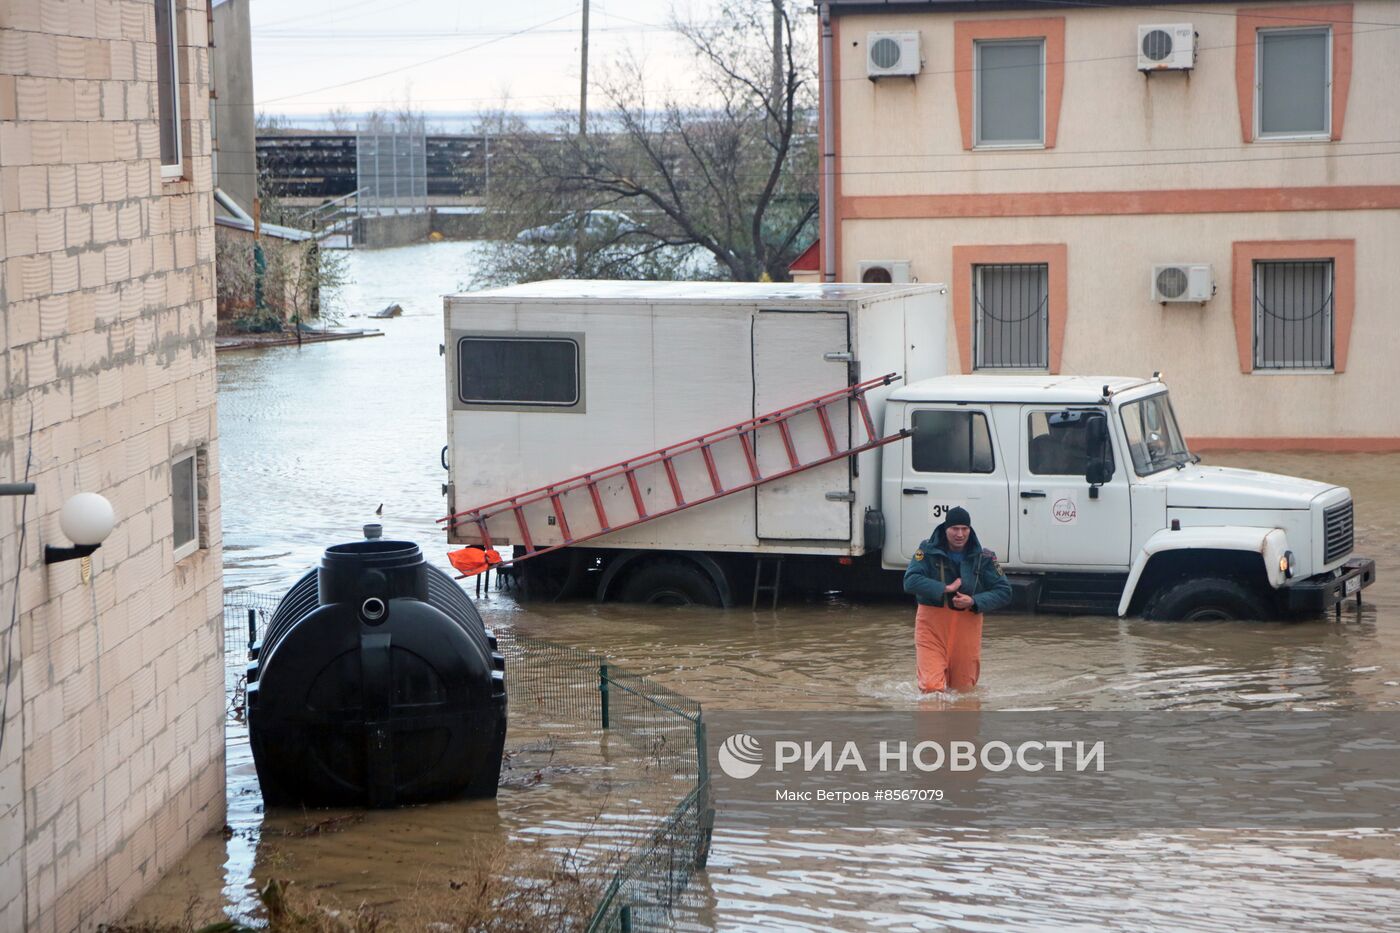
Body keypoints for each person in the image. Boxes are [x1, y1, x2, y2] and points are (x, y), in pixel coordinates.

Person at [902, 507, 1012, 693]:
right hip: (932, 628)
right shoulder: (926, 551)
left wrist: (974, 601)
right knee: (931, 688)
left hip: (967, 628)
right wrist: (945, 589)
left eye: (964, 529)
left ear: (970, 530)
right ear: (945, 529)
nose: (960, 534)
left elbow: (1004, 591)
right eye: (955, 529)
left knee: (964, 692)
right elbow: (910, 581)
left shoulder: (984, 557)